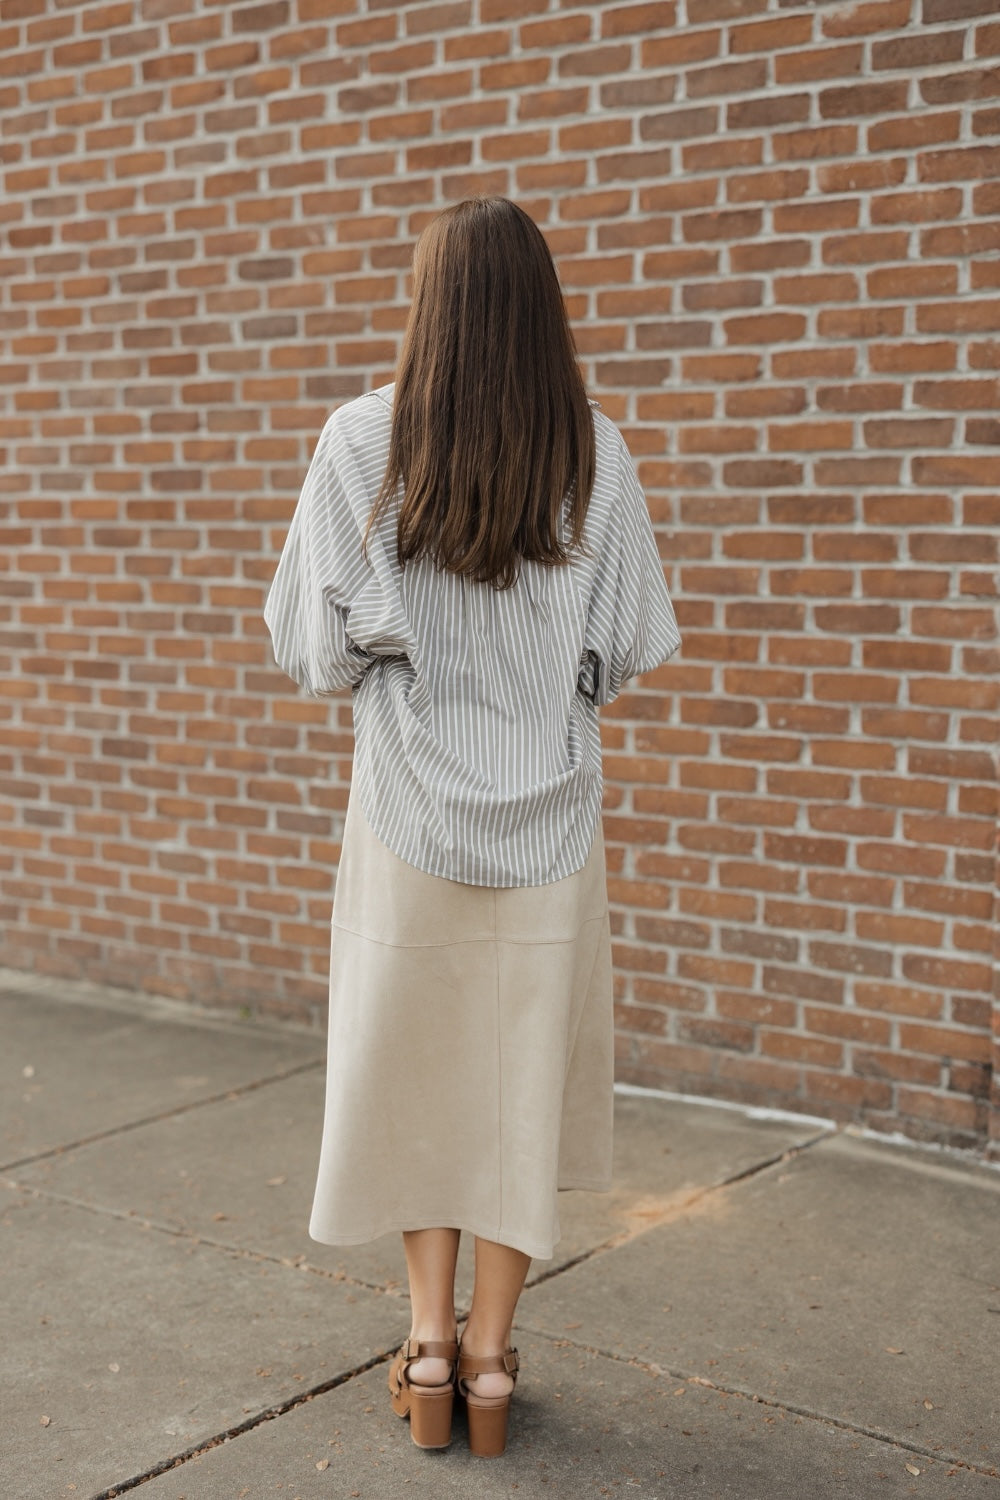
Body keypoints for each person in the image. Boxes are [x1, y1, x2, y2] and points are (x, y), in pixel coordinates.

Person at [263, 196, 681, 1458]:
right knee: (514, 1096)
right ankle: (494, 1367)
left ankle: (428, 1347)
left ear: (430, 304)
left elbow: (313, 654)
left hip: (404, 821)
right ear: (542, 309)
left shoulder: (358, 443)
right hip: (550, 833)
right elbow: (622, 653)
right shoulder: (596, 453)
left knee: (414, 1085)